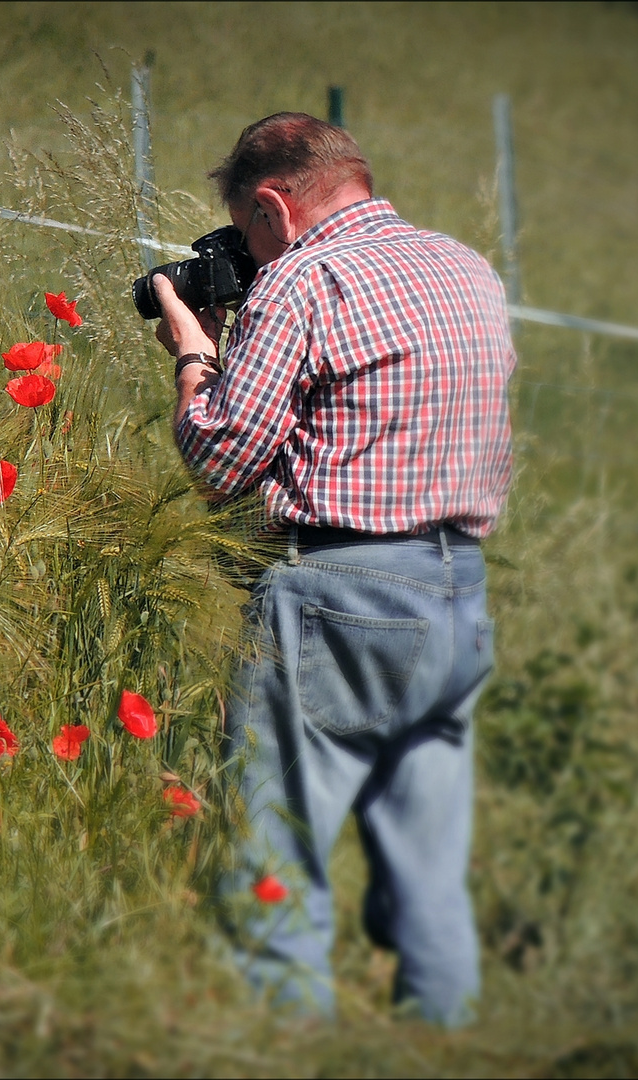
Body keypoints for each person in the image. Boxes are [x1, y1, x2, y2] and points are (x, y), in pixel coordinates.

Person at [151, 112, 516, 1025]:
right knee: (430, 862)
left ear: (271, 205)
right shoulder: (466, 267)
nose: (246, 251)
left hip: (340, 590)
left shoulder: (305, 281)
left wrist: (196, 357)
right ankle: (444, 1032)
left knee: (274, 841)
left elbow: (222, 462)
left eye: (243, 230)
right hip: (457, 588)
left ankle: (284, 1036)